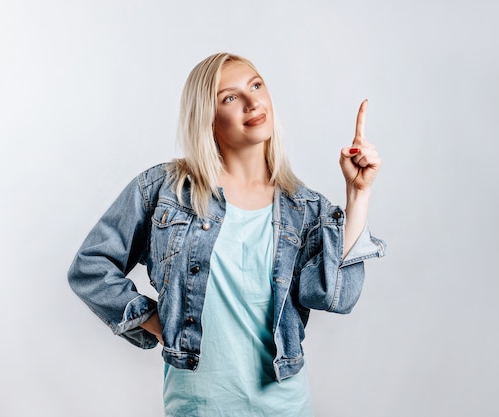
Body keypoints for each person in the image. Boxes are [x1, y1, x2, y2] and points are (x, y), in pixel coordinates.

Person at [68, 52, 386, 416]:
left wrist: (358, 195)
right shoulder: (164, 191)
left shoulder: (305, 208)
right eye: (230, 97)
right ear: (208, 119)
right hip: (197, 407)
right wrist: (153, 322)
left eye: (256, 86)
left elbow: (333, 295)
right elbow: (90, 267)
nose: (253, 102)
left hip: (282, 407)